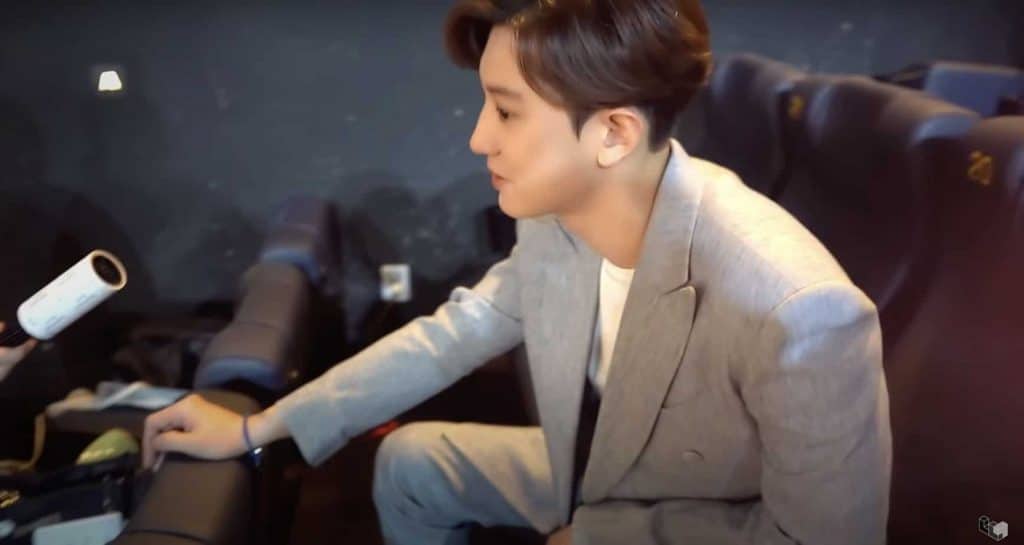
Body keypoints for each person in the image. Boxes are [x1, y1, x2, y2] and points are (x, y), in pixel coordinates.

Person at [143, 1, 893, 544]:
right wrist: (256, 429)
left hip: (695, 515)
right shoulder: (557, 217)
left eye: (505, 112)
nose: (478, 138)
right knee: (409, 462)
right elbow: (453, 335)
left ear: (613, 132)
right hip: (594, 467)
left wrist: (603, 539)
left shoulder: (799, 308)